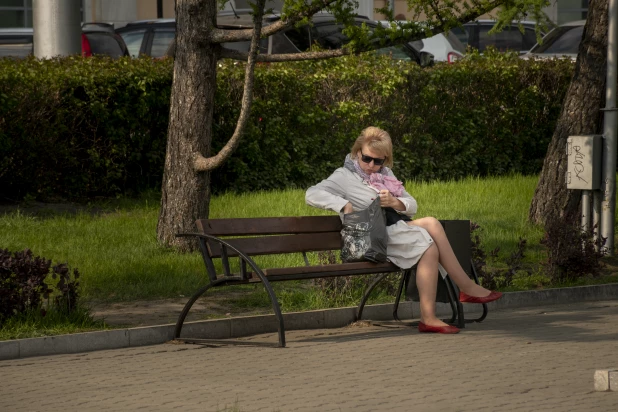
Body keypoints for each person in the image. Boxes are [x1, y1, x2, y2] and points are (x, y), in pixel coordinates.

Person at [305, 126, 502, 334]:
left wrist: (395, 202)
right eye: (366, 159)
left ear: (385, 159)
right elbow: (312, 193)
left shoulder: (385, 174)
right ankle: (457, 294)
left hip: (393, 229)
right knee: (430, 241)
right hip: (371, 238)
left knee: (431, 232)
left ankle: (439, 310)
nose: (371, 165)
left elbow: (412, 204)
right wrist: (343, 205)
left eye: (378, 161)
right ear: (356, 153)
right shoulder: (344, 176)